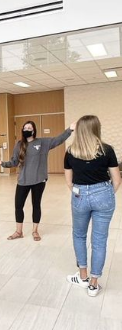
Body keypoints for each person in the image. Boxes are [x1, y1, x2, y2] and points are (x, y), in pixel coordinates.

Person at [64, 115, 120, 297]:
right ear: (97, 128)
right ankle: (94, 284)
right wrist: (105, 194)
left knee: (79, 235)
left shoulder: (70, 151)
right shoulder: (107, 150)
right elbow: (117, 180)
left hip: (79, 195)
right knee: (99, 240)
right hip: (103, 194)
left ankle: (82, 276)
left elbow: (68, 181)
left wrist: (81, 192)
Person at [0, 120, 75, 241]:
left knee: (36, 205)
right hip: (23, 181)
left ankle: (35, 231)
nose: (27, 129)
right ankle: (18, 231)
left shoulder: (42, 142)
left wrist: (70, 130)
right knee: (18, 206)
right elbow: (14, 162)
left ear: (33, 130)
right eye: (25, 128)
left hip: (38, 180)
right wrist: (3, 163)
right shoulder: (19, 144)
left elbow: (58, 139)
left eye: (29, 127)